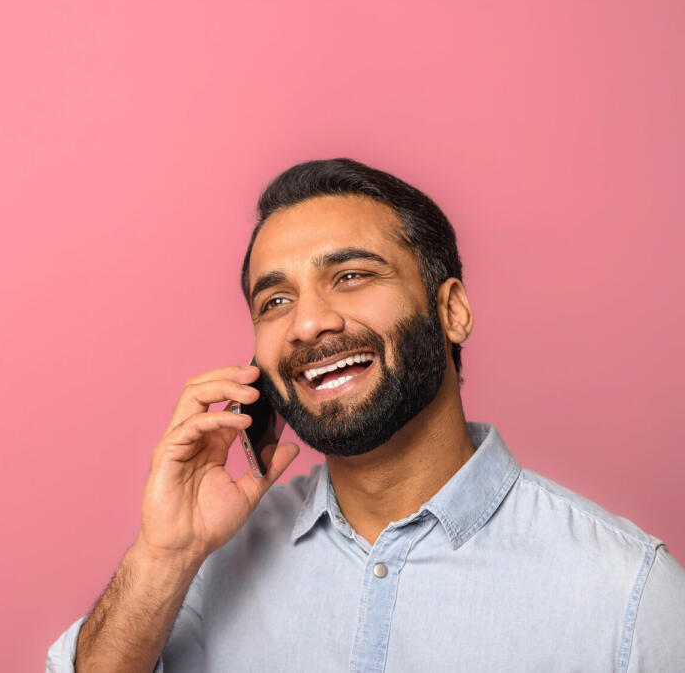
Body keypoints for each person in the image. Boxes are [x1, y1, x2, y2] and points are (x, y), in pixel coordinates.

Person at [46, 158, 685, 672]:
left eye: (350, 276)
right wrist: (165, 553)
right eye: (274, 300)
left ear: (451, 310)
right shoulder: (211, 563)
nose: (306, 323)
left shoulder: (627, 593)